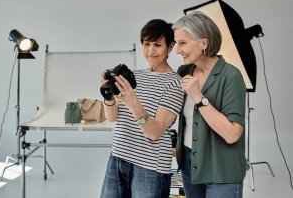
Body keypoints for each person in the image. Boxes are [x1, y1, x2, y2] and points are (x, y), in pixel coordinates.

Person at [100, 19, 185, 198]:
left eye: (157, 45)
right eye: (146, 44)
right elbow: (112, 117)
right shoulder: (134, 76)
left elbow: (155, 132)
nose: (150, 51)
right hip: (118, 156)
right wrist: (108, 96)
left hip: (149, 167)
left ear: (170, 47)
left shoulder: (174, 83)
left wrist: (133, 103)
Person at [172, 11, 246, 198]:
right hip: (190, 166)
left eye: (183, 43)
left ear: (203, 43)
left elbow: (232, 134)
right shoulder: (184, 71)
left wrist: (200, 98)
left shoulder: (231, 76)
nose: (178, 50)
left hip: (222, 171)